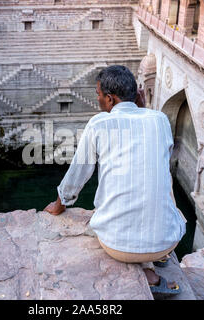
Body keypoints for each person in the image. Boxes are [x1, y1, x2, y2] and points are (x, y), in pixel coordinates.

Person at [44, 65, 186, 296]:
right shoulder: (159, 120)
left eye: (99, 95)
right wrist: (143, 108)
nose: (98, 100)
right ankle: (159, 256)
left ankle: (147, 275)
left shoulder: (99, 124)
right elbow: (154, 157)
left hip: (116, 246)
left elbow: (77, 174)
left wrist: (59, 205)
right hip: (168, 241)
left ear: (109, 99)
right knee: (163, 177)